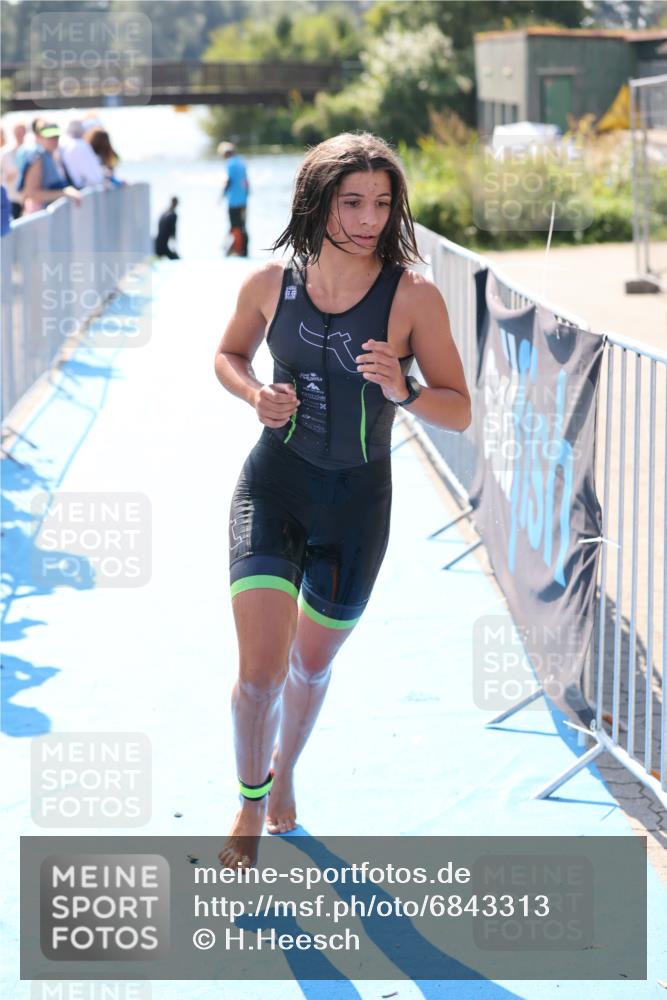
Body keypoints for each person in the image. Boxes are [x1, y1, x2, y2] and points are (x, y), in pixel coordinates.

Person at [213, 131, 471, 868]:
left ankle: (286, 766)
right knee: (259, 673)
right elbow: (228, 355)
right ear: (316, 201)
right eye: (352, 202)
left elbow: (459, 410)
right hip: (274, 485)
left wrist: (404, 389)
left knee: (310, 667)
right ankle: (250, 798)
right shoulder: (271, 283)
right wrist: (254, 393)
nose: (368, 219)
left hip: (357, 505)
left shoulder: (412, 296)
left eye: (382, 203)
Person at [17, 122, 81, 215]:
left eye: (56, 137)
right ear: (40, 137)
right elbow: (32, 194)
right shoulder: (38, 157)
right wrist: (64, 193)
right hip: (39, 215)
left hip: (50, 215)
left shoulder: (53, 155)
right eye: (50, 137)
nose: (54, 140)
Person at [218, 140, 249, 257]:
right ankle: (243, 249)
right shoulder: (241, 162)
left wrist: (222, 195)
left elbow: (229, 181)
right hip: (243, 200)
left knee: (235, 225)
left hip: (233, 201)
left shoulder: (230, 164)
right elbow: (246, 182)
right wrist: (246, 196)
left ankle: (237, 249)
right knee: (242, 225)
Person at [59, 119, 105, 189]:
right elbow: (95, 178)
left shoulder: (65, 145)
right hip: (86, 190)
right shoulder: (80, 145)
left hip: (77, 188)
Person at [0, 120, 26, 219]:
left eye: (22, 131)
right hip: (11, 197)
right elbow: (10, 173)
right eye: (18, 131)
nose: (20, 134)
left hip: (24, 198)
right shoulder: (6, 152)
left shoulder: (28, 149)